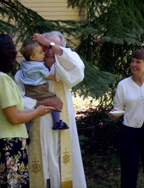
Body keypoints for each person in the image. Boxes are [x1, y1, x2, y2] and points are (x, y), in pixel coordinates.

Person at [0, 34, 54, 187]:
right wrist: (37, 112)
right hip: (8, 144)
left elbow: (6, 113)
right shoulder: (2, 80)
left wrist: (34, 108)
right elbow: (13, 118)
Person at [14, 31, 87, 188]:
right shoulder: (23, 74)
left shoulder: (64, 73)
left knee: (62, 170)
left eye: (52, 47)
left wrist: (51, 45)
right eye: (44, 47)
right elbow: (18, 102)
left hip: (60, 133)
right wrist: (41, 102)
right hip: (35, 129)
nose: (48, 51)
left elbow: (78, 68)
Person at [108, 49, 144, 188]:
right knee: (128, 172)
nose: (134, 64)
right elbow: (118, 108)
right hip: (130, 132)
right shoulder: (123, 84)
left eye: (138, 62)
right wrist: (114, 113)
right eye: (132, 61)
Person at [19, 40, 69, 130]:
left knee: (29, 109)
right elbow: (48, 76)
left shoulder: (24, 63)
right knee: (55, 100)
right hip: (39, 89)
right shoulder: (39, 66)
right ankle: (57, 122)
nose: (44, 54)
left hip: (28, 90)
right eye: (41, 52)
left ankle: (26, 130)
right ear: (33, 57)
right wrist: (58, 77)